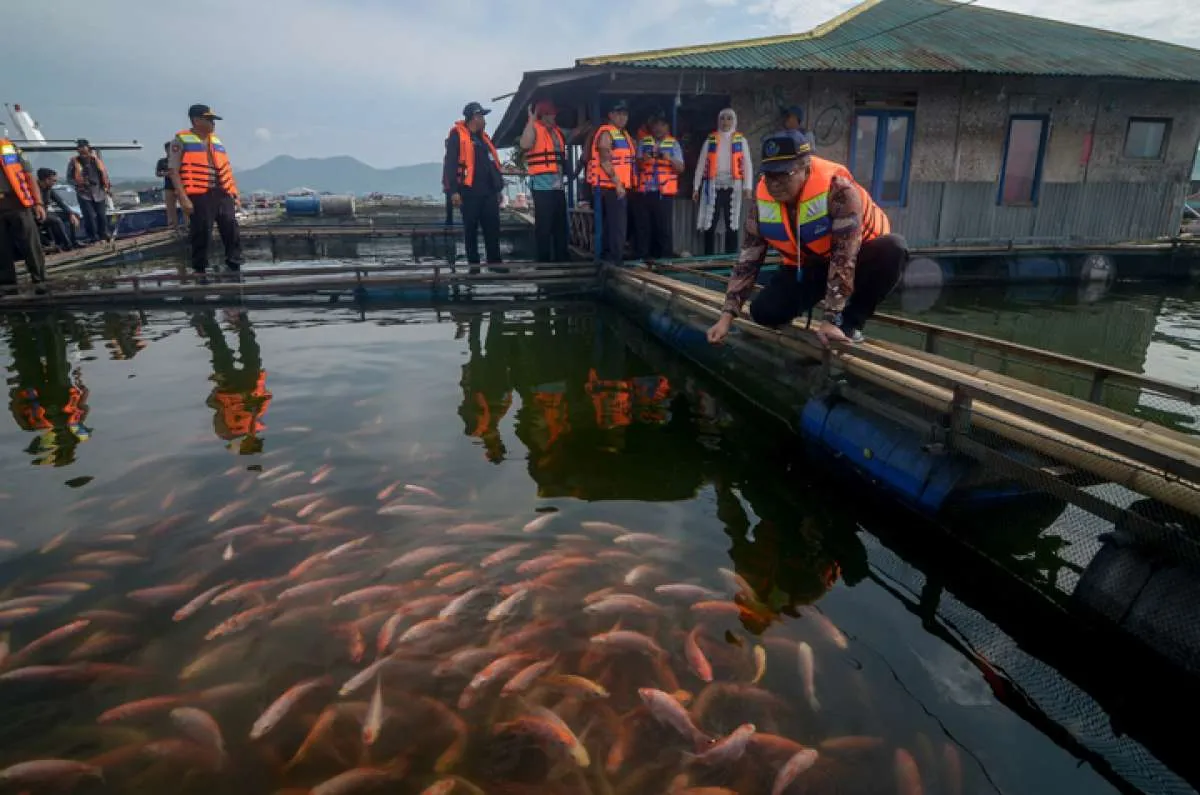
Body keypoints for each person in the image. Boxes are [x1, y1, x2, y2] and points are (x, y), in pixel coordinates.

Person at [706, 130, 908, 348]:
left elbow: (844, 258)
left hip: (856, 261)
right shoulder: (762, 200)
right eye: (769, 175)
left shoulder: (840, 191)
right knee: (763, 312)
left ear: (805, 167)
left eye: (784, 174)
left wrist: (831, 319)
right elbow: (748, 259)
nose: (774, 184)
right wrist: (726, 316)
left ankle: (850, 323)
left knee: (893, 249)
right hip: (808, 266)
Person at [168, 104, 244, 277]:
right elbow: (173, 171)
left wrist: (234, 194)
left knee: (231, 226)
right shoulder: (180, 141)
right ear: (196, 120)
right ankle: (199, 269)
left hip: (223, 192)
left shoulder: (216, 141)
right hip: (199, 193)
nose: (213, 123)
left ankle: (235, 264)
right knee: (201, 230)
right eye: (209, 119)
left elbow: (227, 169)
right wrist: (183, 197)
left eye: (213, 120)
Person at [192, 309, 272, 455]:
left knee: (231, 352)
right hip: (238, 388)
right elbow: (214, 406)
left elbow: (215, 407)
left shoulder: (232, 431)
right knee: (226, 351)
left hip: (236, 388)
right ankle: (219, 321)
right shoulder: (230, 431)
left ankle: (234, 321)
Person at [519, 100, 589, 263]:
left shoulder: (558, 132)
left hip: (558, 188)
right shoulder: (534, 128)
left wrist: (587, 121)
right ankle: (543, 261)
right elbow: (525, 144)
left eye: (554, 114)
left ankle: (561, 258)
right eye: (551, 114)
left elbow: (577, 132)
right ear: (543, 115)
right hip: (542, 188)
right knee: (544, 226)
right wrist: (531, 119)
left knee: (560, 226)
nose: (554, 117)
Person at [444, 102, 505, 271]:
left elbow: (492, 165)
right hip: (469, 192)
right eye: (482, 116)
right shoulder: (457, 136)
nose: (485, 121)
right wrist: (454, 191)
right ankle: (474, 265)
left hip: (489, 192)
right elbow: (450, 164)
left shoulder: (484, 139)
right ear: (474, 118)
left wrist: (498, 188)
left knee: (492, 228)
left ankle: (495, 263)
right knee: (470, 230)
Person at [693, 109, 754, 256]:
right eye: (723, 118)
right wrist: (696, 187)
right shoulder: (710, 140)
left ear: (734, 121)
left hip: (733, 186)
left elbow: (747, 164)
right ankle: (708, 257)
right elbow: (701, 164)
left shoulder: (741, 140)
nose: (725, 122)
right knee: (710, 222)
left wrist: (748, 186)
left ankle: (730, 257)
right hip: (713, 185)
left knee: (731, 223)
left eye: (729, 118)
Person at [587, 99, 635, 267]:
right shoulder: (607, 133)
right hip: (611, 187)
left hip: (617, 187)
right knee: (617, 225)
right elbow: (605, 161)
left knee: (612, 225)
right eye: (619, 114)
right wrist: (618, 184)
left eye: (625, 114)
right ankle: (615, 259)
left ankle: (610, 257)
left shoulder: (623, 135)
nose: (623, 117)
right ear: (611, 115)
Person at [633, 111, 683, 265]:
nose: (658, 128)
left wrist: (669, 158)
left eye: (662, 125)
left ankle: (665, 260)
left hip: (664, 193)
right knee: (643, 227)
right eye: (655, 125)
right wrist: (644, 159)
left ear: (667, 127)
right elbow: (636, 165)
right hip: (645, 191)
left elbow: (680, 168)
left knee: (664, 227)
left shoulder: (673, 144)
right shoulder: (644, 143)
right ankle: (643, 258)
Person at [0, 137, 47, 290]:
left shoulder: (9, 148)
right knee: (2, 251)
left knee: (31, 245)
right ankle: (7, 286)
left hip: (18, 204)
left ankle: (40, 280)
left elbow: (28, 175)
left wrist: (38, 203)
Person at [66, 139, 111, 243]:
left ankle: (104, 235)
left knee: (101, 215)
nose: (81, 150)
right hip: (84, 193)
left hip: (99, 192)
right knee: (89, 216)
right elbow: (69, 178)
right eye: (79, 148)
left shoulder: (96, 161)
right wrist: (78, 184)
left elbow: (104, 175)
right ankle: (93, 237)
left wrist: (107, 188)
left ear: (88, 148)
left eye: (83, 147)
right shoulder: (73, 162)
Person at [36, 169, 81, 251]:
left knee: (74, 215)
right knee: (56, 220)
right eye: (53, 181)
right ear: (47, 180)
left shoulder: (49, 189)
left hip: (45, 213)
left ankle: (74, 241)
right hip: (36, 216)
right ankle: (67, 245)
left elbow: (60, 202)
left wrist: (70, 213)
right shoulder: (35, 189)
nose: (55, 183)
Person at [155, 142, 180, 234]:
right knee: (171, 208)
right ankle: (175, 228)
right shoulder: (162, 161)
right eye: (169, 149)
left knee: (184, 207)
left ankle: (187, 226)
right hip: (169, 187)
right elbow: (158, 173)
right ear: (166, 150)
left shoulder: (179, 160)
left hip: (180, 186)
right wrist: (166, 173)